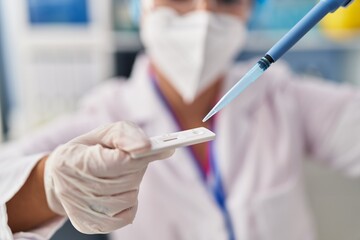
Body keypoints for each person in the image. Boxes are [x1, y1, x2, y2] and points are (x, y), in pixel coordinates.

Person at [1, 0, 360, 239]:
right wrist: (45, 184)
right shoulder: (104, 113)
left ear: (250, 9)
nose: (203, 14)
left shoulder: (283, 98)